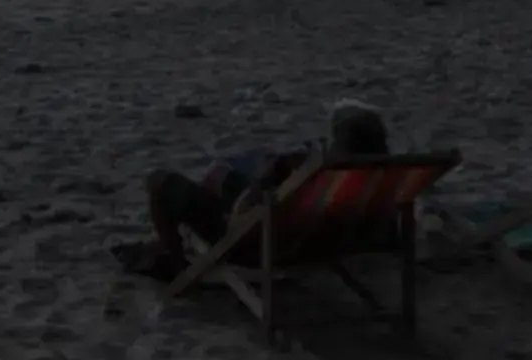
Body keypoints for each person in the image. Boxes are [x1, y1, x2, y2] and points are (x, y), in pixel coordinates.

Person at [132, 100, 391, 282]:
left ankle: (178, 266)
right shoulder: (378, 183)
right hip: (318, 242)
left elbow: (244, 213)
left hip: (258, 245)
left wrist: (267, 180)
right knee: (223, 175)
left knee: (159, 182)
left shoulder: (321, 177)